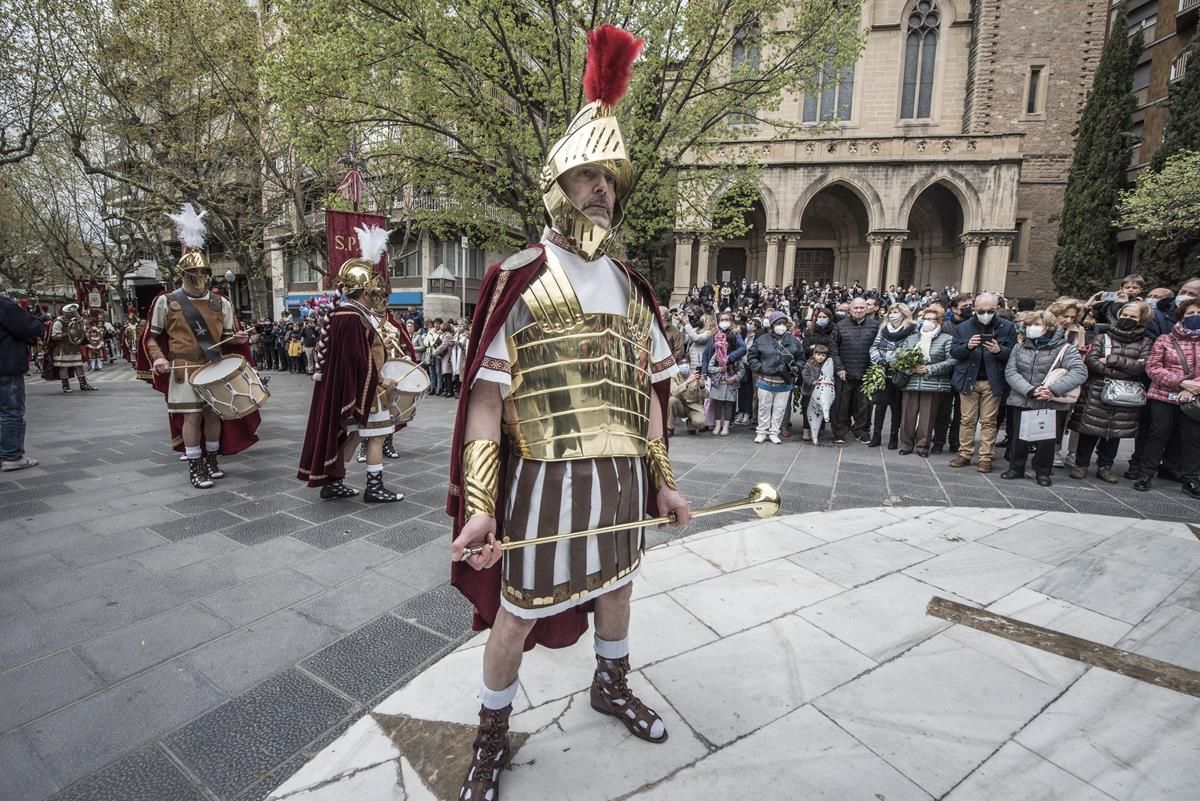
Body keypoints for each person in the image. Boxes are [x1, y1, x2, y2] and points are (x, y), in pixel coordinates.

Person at [446, 28, 690, 801]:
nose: (601, 191)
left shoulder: (631, 285)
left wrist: (664, 483)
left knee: (619, 586)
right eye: (587, 175)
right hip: (544, 480)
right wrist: (482, 509)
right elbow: (487, 403)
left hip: (619, 475)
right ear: (558, 183)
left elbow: (648, 399)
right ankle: (490, 734)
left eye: (610, 180)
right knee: (517, 616)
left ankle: (609, 683)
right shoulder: (520, 277)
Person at [137, 205, 258, 488]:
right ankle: (195, 465)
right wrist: (157, 359)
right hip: (184, 367)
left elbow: (230, 336)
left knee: (213, 414)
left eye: (202, 269)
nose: (199, 273)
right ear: (182, 272)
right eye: (193, 270)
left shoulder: (221, 302)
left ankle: (212, 458)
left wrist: (239, 341)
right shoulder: (167, 301)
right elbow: (152, 337)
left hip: (213, 365)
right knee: (191, 416)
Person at [298, 225, 405, 503]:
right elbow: (358, 357)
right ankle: (374, 487)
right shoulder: (351, 316)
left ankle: (333, 482)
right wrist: (382, 381)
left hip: (357, 386)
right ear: (366, 290)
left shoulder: (347, 312)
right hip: (365, 388)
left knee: (356, 435)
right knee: (377, 435)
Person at [1001, 310, 1088, 487]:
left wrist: (1053, 390)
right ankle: (1016, 467)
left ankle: (1043, 471)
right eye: (1029, 325)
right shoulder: (1020, 347)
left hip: (1050, 402)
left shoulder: (1065, 348)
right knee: (1019, 436)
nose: (1032, 328)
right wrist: (1030, 390)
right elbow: (1011, 372)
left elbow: (1079, 372)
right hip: (1024, 398)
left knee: (1046, 440)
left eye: (1037, 324)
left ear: (1049, 327)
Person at [1068, 301, 1152, 483]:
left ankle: (1105, 466)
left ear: (1141, 320)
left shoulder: (1145, 342)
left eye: (1132, 317)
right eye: (1125, 315)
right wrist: (1123, 370)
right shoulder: (1102, 337)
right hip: (1098, 389)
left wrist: (1112, 359)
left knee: (1116, 432)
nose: (1127, 319)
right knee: (1089, 429)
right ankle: (1081, 464)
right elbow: (1092, 362)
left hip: (1126, 394)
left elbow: (1142, 367)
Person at [1136, 297, 1200, 496]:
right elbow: (1153, 367)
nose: (1195, 317)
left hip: (1194, 397)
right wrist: (1180, 383)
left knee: (1192, 438)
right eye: (1190, 313)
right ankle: (1145, 474)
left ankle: (1191, 479)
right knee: (1158, 434)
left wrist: (1192, 388)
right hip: (1163, 395)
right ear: (1181, 316)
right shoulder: (1165, 339)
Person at [948, 293, 1016, 474]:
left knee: (989, 421)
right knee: (967, 419)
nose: (985, 314)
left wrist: (999, 350)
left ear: (997, 309)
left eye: (990, 311)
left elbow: (1013, 353)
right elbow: (954, 352)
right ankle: (965, 453)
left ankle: (985, 457)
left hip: (992, 380)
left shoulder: (1007, 327)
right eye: (981, 311)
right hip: (968, 379)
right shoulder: (963, 327)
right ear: (974, 309)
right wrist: (968, 346)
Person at [895, 305, 954, 456]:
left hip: (933, 384)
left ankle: (923, 446)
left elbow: (951, 361)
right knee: (907, 416)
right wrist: (911, 367)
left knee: (927, 418)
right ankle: (906, 445)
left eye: (931, 319)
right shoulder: (913, 338)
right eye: (924, 319)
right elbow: (901, 358)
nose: (926, 322)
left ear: (939, 321)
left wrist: (930, 369)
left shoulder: (946, 339)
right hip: (912, 382)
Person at [0, 292, 45, 471]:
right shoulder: (2, 304)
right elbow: (28, 327)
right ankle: (11, 455)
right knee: (10, 411)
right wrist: (39, 320)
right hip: (5, 365)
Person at [747, 311, 803, 444]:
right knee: (764, 407)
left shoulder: (793, 341)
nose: (781, 326)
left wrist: (795, 369)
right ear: (772, 325)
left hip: (784, 381)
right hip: (765, 379)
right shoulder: (762, 339)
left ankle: (774, 432)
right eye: (778, 323)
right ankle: (762, 432)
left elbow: (801, 359)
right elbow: (752, 356)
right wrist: (760, 368)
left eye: (784, 323)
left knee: (780, 408)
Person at [830, 297, 880, 444]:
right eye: (855, 308)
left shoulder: (875, 326)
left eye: (862, 308)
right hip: (844, 373)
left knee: (864, 405)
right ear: (850, 309)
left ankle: (861, 431)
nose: (859, 310)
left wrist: (873, 370)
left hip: (866, 373)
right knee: (841, 405)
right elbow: (834, 348)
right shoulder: (840, 326)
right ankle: (839, 432)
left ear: (867, 309)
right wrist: (839, 367)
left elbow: (879, 347)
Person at [867, 303, 916, 449]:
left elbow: (911, 349)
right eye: (891, 312)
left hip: (900, 373)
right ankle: (876, 435)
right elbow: (874, 347)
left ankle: (894, 436)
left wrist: (894, 358)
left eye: (897, 312)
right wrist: (881, 359)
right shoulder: (883, 329)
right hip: (882, 371)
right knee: (880, 405)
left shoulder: (912, 329)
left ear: (904, 314)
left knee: (896, 406)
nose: (893, 315)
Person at [702, 311, 746, 436]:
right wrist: (705, 370)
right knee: (716, 401)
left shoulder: (735, 333)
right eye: (722, 319)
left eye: (727, 319)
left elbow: (743, 348)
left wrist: (729, 358)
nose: (725, 321)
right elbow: (706, 354)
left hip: (731, 370)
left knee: (728, 402)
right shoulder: (714, 334)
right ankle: (715, 424)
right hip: (716, 373)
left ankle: (726, 425)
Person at [43, 304, 97, 392]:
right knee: (64, 367)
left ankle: (84, 384)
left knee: (79, 366)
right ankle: (66, 386)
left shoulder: (75, 321)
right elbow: (54, 336)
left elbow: (79, 332)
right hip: (62, 348)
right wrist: (68, 333)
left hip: (74, 347)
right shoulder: (58, 322)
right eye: (71, 312)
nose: (73, 313)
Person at [802, 344, 835, 444]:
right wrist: (812, 381)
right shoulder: (809, 364)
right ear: (814, 354)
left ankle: (817, 430)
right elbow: (805, 375)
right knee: (806, 411)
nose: (820, 357)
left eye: (823, 355)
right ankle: (806, 430)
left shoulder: (827, 366)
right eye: (818, 354)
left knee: (820, 411)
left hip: (822, 395)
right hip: (809, 392)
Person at [668, 356, 707, 435]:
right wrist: (687, 382)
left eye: (686, 362)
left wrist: (702, 386)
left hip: (694, 407)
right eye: (681, 363)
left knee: (701, 423)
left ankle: (691, 424)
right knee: (671, 400)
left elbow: (707, 396)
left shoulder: (696, 375)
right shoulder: (673, 377)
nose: (684, 365)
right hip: (680, 406)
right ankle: (669, 428)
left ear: (689, 364)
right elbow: (674, 392)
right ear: (677, 365)